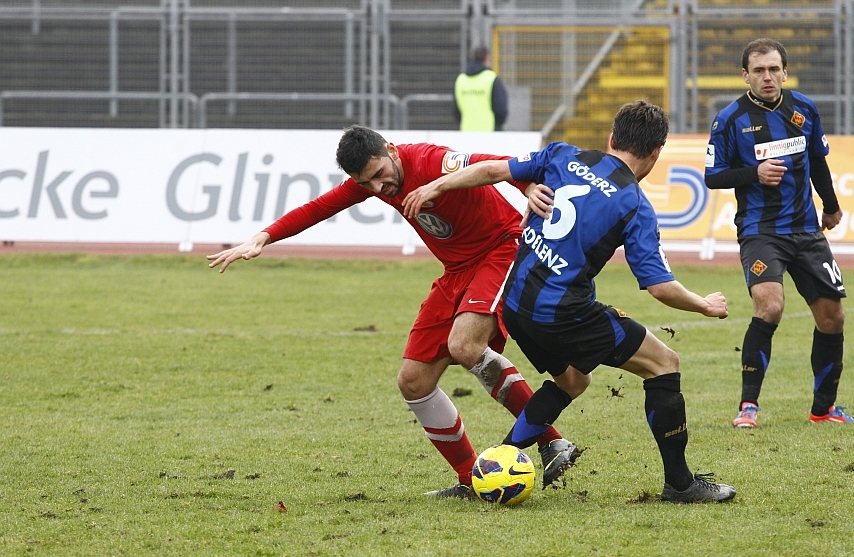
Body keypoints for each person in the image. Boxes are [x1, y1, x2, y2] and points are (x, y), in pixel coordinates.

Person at [207, 125, 578, 498]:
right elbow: (319, 207)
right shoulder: (374, 181)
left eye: (379, 174)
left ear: (391, 150)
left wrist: (526, 187)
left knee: (465, 345)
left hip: (501, 249)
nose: (378, 187)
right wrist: (264, 237)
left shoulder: (432, 161)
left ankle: (551, 441)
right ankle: (469, 479)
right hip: (456, 271)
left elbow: (494, 165)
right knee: (413, 382)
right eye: (366, 183)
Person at [403, 100, 737, 503]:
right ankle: (681, 485)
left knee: (573, 380)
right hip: (563, 313)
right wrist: (704, 304)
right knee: (664, 363)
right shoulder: (634, 204)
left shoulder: (563, 155)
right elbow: (660, 287)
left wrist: (437, 185)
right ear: (656, 153)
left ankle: (495, 466)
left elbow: (491, 170)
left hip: (516, 306)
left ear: (612, 138)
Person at [704, 38, 854, 429]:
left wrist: (831, 206)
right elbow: (713, 176)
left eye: (774, 69)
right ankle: (748, 407)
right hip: (761, 230)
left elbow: (818, 162)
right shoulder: (729, 119)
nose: (767, 77)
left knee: (833, 317)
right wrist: (754, 173)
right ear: (745, 75)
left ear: (785, 72)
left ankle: (824, 409)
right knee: (770, 305)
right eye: (759, 70)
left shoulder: (804, 109)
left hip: (806, 230)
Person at [453, 46, 509, 132]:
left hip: (467, 131)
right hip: (489, 132)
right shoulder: (491, 78)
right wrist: (498, 126)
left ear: (473, 57)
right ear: (487, 58)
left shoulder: (461, 79)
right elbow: (500, 108)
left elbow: (456, 110)